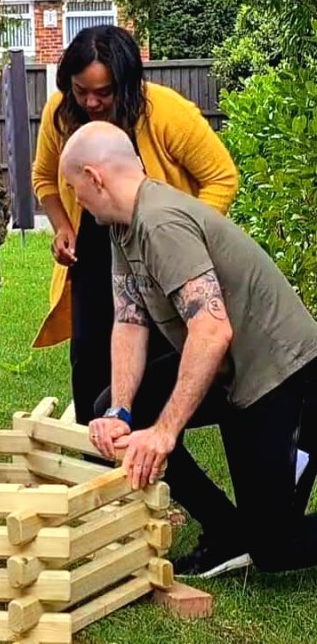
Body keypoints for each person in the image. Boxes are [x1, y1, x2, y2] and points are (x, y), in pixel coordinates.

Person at [62, 121, 317, 578]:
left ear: (94, 177)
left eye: (75, 187)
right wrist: (121, 411)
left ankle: (253, 532)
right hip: (234, 374)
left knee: (276, 547)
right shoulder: (124, 226)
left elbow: (213, 331)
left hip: (285, 377)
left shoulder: (161, 222)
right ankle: (226, 529)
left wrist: (164, 432)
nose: (74, 199)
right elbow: (129, 320)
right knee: (121, 406)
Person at [32, 25, 239, 424]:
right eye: (80, 90)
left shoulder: (165, 111)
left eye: (103, 92)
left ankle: (155, 455)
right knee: (92, 363)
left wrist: (183, 239)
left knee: (153, 380)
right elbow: (43, 178)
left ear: (125, 84)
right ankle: (98, 467)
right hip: (92, 257)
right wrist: (62, 227)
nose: (90, 101)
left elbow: (222, 177)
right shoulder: (59, 114)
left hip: (161, 257)